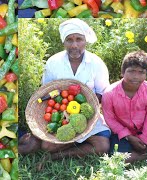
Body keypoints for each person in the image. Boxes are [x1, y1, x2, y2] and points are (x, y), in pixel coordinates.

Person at [18, 19, 111, 161]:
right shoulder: (53, 62)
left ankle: (59, 154)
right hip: (61, 114)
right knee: (46, 146)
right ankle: (72, 141)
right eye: (69, 40)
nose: (74, 45)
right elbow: (47, 91)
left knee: (102, 146)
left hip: (88, 114)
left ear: (85, 41)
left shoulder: (96, 63)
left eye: (79, 39)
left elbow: (102, 92)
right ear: (64, 42)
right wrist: (67, 117)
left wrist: (82, 114)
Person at [102, 50, 147, 163]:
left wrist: (144, 137)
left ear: (146, 74)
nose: (136, 76)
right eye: (131, 71)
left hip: (146, 129)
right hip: (122, 132)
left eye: (141, 72)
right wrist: (129, 137)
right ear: (122, 72)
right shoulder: (109, 93)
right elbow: (110, 119)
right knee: (119, 158)